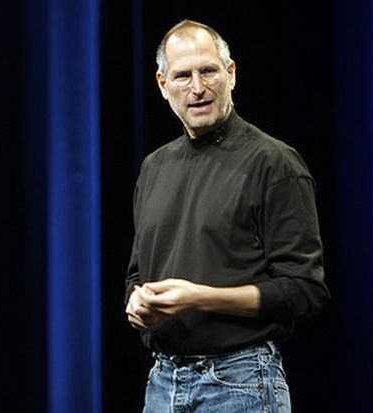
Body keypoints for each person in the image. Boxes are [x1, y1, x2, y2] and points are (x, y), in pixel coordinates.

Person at [125, 19, 329, 412]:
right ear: (162, 84)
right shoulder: (154, 167)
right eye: (182, 76)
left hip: (241, 380)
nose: (198, 88)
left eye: (208, 71)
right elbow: (138, 273)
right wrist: (137, 302)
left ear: (231, 73)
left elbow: (304, 290)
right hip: (163, 383)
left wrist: (199, 297)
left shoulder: (274, 163)